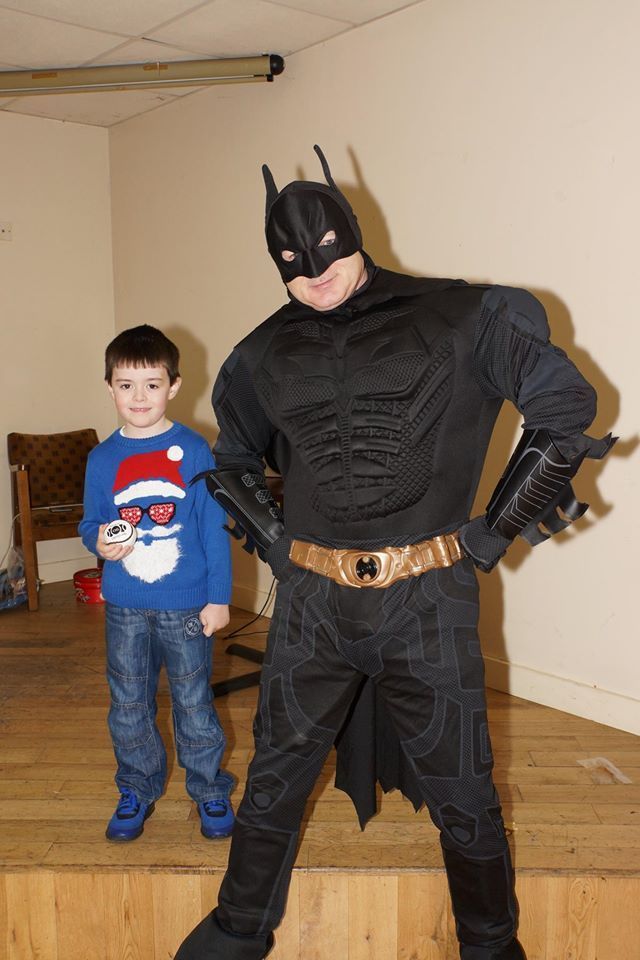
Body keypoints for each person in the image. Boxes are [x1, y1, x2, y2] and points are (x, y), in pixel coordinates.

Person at [175, 147, 614, 960]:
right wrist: (277, 545)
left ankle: (490, 943)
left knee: (463, 790)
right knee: (275, 776)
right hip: (311, 603)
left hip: (427, 597)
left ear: (353, 231)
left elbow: (564, 409)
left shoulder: (464, 315)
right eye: (292, 261)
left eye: (326, 248)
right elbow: (230, 461)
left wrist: (488, 535)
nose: (315, 272)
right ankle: (239, 926)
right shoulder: (260, 354)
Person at [79, 324, 235, 842]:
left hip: (188, 607)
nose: (139, 396)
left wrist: (218, 598)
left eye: (152, 384)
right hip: (124, 604)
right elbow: (91, 522)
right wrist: (98, 542)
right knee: (128, 702)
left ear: (174, 385)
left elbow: (213, 529)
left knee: (193, 701)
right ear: (110, 387)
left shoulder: (194, 449)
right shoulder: (101, 459)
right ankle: (136, 788)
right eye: (126, 385)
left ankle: (209, 789)